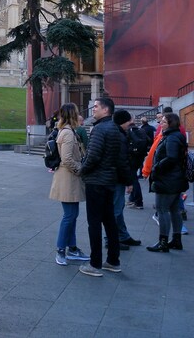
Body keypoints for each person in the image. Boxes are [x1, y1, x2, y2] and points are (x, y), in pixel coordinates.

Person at [78, 97, 122, 277]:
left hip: (96, 181)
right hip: (109, 180)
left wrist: (82, 170)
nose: (93, 109)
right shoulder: (115, 129)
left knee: (94, 223)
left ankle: (95, 263)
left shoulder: (99, 129)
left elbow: (93, 155)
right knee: (110, 221)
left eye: (96, 107)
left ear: (106, 110)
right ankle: (113, 260)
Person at [48, 103, 91, 266]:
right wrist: (80, 170)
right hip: (68, 178)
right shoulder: (67, 133)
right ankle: (61, 249)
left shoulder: (67, 131)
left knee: (72, 215)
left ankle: (72, 248)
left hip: (70, 178)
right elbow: (66, 158)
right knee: (69, 216)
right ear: (73, 115)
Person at [146, 112, 188, 253]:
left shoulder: (171, 138)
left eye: (163, 122)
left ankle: (163, 241)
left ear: (170, 123)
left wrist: (156, 167)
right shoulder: (176, 136)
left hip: (167, 179)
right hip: (175, 179)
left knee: (162, 209)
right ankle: (176, 240)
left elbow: (171, 157)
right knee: (175, 210)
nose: (160, 124)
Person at [111, 109, 141, 248]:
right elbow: (122, 161)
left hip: (117, 177)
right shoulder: (120, 136)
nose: (130, 123)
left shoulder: (121, 133)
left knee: (118, 208)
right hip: (117, 178)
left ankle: (123, 236)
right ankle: (111, 240)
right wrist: (129, 182)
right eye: (128, 121)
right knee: (116, 210)